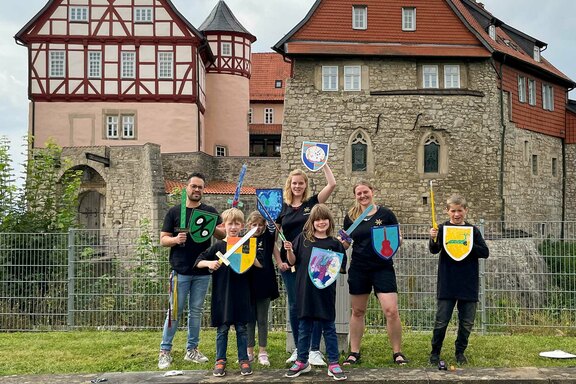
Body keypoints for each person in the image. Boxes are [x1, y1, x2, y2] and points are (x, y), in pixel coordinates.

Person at [157, 172, 225, 370]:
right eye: (193, 186)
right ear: (187, 188)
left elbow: (222, 234)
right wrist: (175, 240)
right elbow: (163, 239)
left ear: (204, 190)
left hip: (202, 271)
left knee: (196, 312)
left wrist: (213, 227)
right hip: (180, 271)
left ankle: (192, 350)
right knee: (174, 311)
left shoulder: (210, 211)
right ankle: (165, 351)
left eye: (200, 187)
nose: (197, 190)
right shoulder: (175, 212)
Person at [341, 180, 409, 365]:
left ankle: (397, 352)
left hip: (383, 267)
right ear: (355, 196)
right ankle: (354, 352)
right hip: (359, 268)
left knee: (391, 311)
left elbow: (397, 238)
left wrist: (398, 240)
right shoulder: (351, 216)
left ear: (372, 191)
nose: (362, 196)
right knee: (358, 311)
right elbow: (347, 243)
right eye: (359, 193)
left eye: (365, 192)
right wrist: (340, 242)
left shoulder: (385, 214)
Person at [275, 164, 336, 365]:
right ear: (289, 185)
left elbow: (332, 184)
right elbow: (273, 237)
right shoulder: (281, 206)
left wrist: (323, 163)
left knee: (316, 302)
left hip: (315, 261)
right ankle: (298, 349)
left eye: (301, 183)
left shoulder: (312, 203)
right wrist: (278, 260)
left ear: (305, 185)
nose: (298, 186)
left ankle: (314, 350)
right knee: (295, 305)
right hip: (291, 261)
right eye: (294, 183)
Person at [283, 204, 348, 380]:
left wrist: (343, 248)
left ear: (330, 221)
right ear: (312, 222)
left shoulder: (334, 243)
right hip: (305, 291)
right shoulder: (302, 239)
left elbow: (340, 268)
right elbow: (292, 262)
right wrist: (289, 250)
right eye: (317, 219)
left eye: (324, 219)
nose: (321, 222)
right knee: (304, 327)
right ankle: (302, 361)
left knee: (329, 327)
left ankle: (333, 363)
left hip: (325, 293)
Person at [195, 208, 261, 377]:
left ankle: (243, 359)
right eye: (230, 223)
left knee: (241, 328)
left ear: (242, 226)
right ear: (224, 226)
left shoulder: (246, 245)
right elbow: (198, 261)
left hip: (241, 294)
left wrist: (252, 257)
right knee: (222, 329)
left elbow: (259, 265)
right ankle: (220, 360)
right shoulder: (218, 246)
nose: (233, 227)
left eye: (237, 223)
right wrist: (209, 264)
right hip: (223, 295)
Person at [428, 194, 489, 365]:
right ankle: (435, 352)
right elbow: (434, 250)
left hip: (468, 284)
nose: (456, 214)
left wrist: (468, 244)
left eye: (459, 211)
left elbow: (485, 252)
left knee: (467, 323)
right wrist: (433, 237)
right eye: (453, 211)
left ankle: (460, 352)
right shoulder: (441, 229)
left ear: (465, 211)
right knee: (441, 321)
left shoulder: (473, 231)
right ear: (447, 211)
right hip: (447, 283)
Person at [246, 211, 279, 366]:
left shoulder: (268, 238)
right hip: (247, 284)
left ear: (265, 226)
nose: (257, 228)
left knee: (262, 319)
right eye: (254, 225)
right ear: (248, 226)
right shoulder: (243, 240)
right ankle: (249, 351)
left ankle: (263, 351)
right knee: (249, 319)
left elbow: (276, 228)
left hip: (264, 282)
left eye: (260, 225)